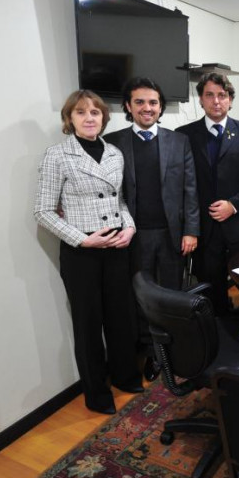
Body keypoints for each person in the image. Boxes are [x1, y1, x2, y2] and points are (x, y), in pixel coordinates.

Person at [34, 90, 141, 415]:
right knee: (89, 324)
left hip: (117, 247)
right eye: (81, 112)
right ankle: (97, 394)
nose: (90, 117)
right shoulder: (57, 155)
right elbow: (43, 211)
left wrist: (130, 227)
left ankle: (126, 376)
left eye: (95, 112)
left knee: (121, 317)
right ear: (70, 119)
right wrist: (82, 239)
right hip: (82, 253)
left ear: (104, 118)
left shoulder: (114, 153)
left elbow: (120, 201)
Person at [177, 73, 239, 315]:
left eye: (222, 95)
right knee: (210, 292)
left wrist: (233, 204)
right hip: (205, 231)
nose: (216, 101)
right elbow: (182, 183)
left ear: (230, 100)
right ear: (201, 100)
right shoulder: (184, 135)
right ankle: (218, 341)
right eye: (210, 95)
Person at [104, 77, 199, 289]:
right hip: (132, 235)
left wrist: (191, 231)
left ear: (160, 106)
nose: (147, 108)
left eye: (153, 103)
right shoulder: (112, 142)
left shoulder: (179, 141)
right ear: (128, 106)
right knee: (137, 295)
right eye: (139, 102)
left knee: (172, 292)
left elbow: (190, 190)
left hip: (172, 235)